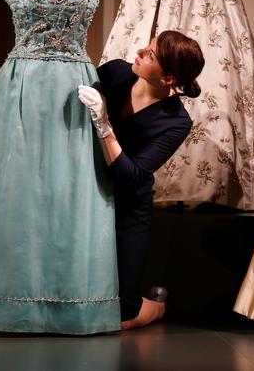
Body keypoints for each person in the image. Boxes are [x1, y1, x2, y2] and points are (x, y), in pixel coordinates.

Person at [78, 30, 205, 330]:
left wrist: (104, 124)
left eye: (149, 55)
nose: (137, 52)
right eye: (146, 48)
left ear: (169, 78)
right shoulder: (115, 73)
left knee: (122, 315)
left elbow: (130, 175)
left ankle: (157, 307)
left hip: (129, 205)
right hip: (88, 192)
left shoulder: (176, 121)